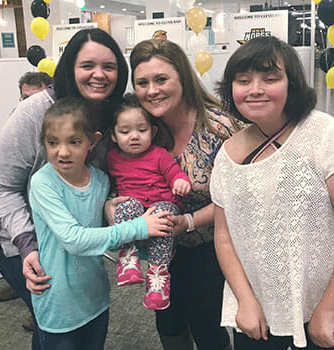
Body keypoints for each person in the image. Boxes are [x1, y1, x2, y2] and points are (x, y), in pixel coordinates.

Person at [0, 28, 129, 350]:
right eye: (87, 65)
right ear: (69, 67)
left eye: (109, 66)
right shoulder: (36, 112)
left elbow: (100, 176)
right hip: (24, 242)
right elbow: (2, 184)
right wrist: (27, 245)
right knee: (53, 326)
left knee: (85, 321)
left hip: (76, 244)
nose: (99, 74)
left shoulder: (111, 115)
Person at [211, 35, 334, 349]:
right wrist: (245, 300)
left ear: (292, 84)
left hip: (323, 311)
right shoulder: (227, 154)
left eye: (270, 78)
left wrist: (329, 307)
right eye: (243, 80)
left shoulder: (323, 134)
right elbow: (224, 236)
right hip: (258, 315)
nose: (255, 89)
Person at [123, 38, 239, 349]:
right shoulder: (141, 130)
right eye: (142, 82)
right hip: (163, 249)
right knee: (169, 324)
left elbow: (239, 197)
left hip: (214, 247)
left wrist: (188, 220)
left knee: (208, 328)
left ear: (183, 79)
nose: (151, 90)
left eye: (161, 79)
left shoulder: (219, 127)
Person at [29, 96, 172, 350]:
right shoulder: (43, 182)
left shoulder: (101, 180)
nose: (63, 152)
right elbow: (73, 239)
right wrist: (139, 226)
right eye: (53, 143)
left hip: (96, 298)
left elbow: (109, 229)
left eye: (74, 142)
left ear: (93, 141)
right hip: (58, 303)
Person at [107, 94, 191, 311]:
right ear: (114, 136)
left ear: (152, 132)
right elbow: (107, 186)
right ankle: (127, 257)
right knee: (127, 205)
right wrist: (110, 202)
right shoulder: (112, 158)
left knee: (163, 216)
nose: (134, 137)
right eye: (125, 132)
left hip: (161, 203)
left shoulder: (159, 154)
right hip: (134, 206)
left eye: (141, 130)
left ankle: (157, 274)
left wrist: (180, 181)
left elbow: (174, 172)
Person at [0, 71, 52, 332]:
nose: (29, 105)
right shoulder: (21, 118)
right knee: (42, 312)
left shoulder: (55, 122)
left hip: (36, 230)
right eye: (24, 98)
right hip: (7, 232)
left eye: (35, 98)